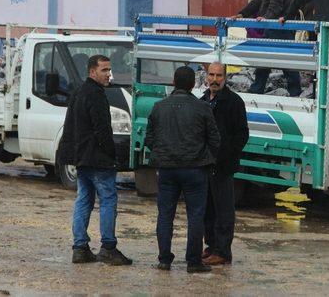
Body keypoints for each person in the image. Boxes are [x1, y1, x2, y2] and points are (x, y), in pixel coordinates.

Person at [57, 54, 132, 265]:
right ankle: (108, 247)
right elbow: (103, 130)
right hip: (98, 159)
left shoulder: (79, 91)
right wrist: (112, 155)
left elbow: (70, 127)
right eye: (104, 70)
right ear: (92, 72)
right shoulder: (96, 95)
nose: (109, 74)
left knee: (84, 200)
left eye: (109, 70)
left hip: (82, 159)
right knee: (108, 201)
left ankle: (80, 248)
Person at [144, 66, 220, 273]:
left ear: (173, 82)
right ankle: (193, 262)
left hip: (167, 169)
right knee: (195, 216)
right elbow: (215, 140)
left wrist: (165, 153)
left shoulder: (159, 107)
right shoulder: (202, 108)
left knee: (165, 215)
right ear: (193, 84)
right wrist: (205, 158)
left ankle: (164, 259)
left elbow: (149, 139)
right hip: (195, 169)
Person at [200, 62, 249, 266]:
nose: (214, 79)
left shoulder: (233, 102)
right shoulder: (203, 100)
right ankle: (211, 246)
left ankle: (222, 251)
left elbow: (242, 134)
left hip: (223, 166)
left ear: (225, 77)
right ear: (206, 76)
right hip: (205, 165)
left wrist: (225, 155)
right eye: (211, 75)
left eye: (219, 75)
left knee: (223, 211)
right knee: (207, 210)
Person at [233, 0, 302, 96]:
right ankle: (260, 88)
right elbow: (259, 0)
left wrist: (266, 17)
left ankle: (294, 91)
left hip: (280, 28)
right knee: (268, 59)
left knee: (284, 61)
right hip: (276, 27)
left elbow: (276, 4)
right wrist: (242, 13)